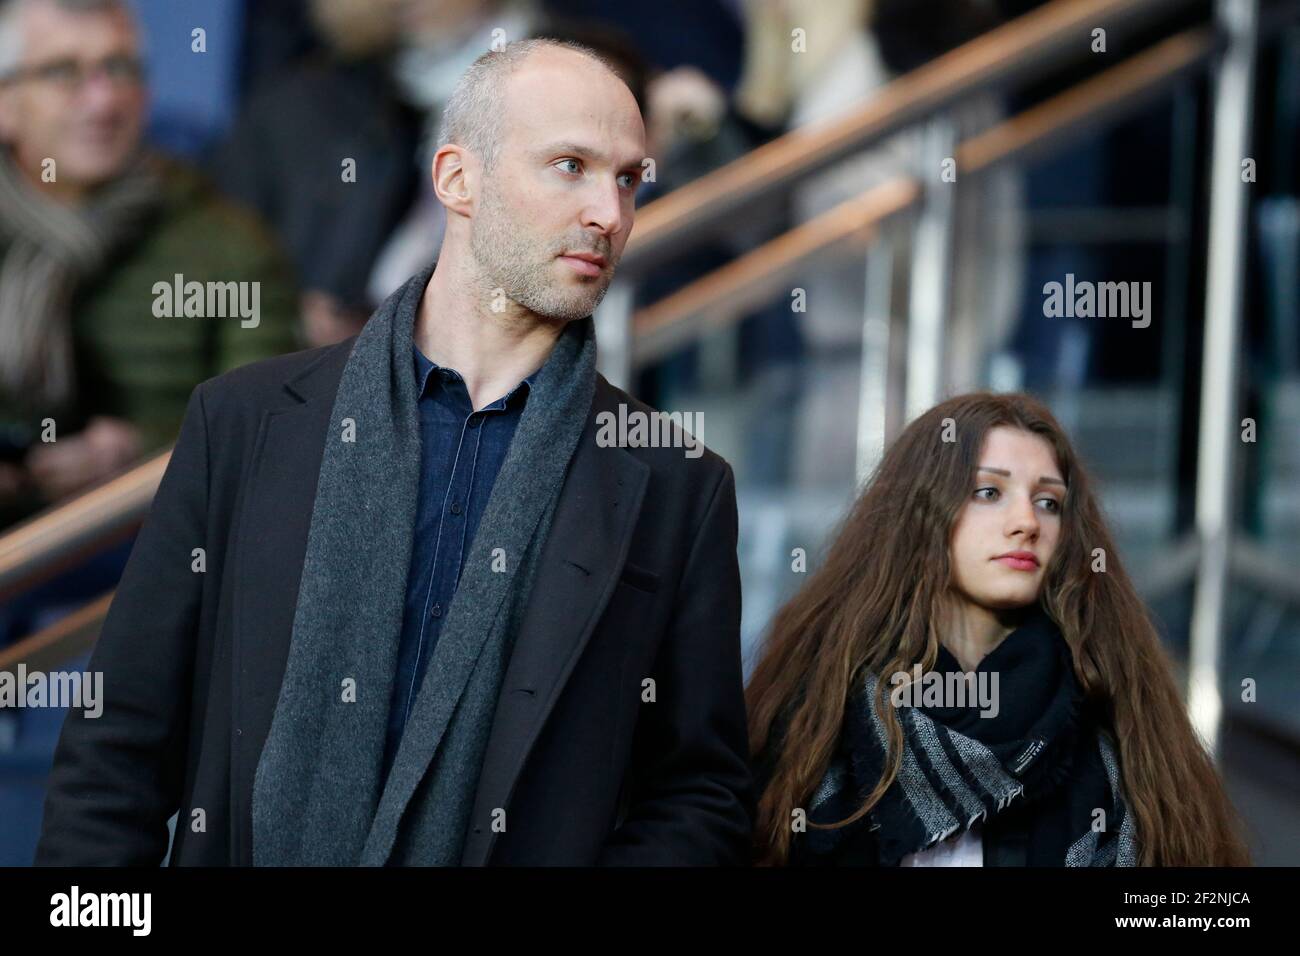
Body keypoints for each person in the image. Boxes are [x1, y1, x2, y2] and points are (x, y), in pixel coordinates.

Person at [35, 38, 753, 866]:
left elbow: (700, 793)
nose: (611, 213)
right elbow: (118, 742)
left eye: (629, 178)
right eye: (570, 166)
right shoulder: (245, 421)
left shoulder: (676, 483)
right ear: (457, 180)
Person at [746, 392, 1251, 866]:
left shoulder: (1120, 722)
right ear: (923, 514)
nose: (1026, 522)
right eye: (989, 492)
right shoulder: (818, 715)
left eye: (1049, 502)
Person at [0, 0, 299, 527]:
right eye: (62, 73)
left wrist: (143, 455)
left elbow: (269, 440)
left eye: (121, 69)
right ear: (5, 101)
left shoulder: (228, 245)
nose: (103, 100)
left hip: (139, 554)